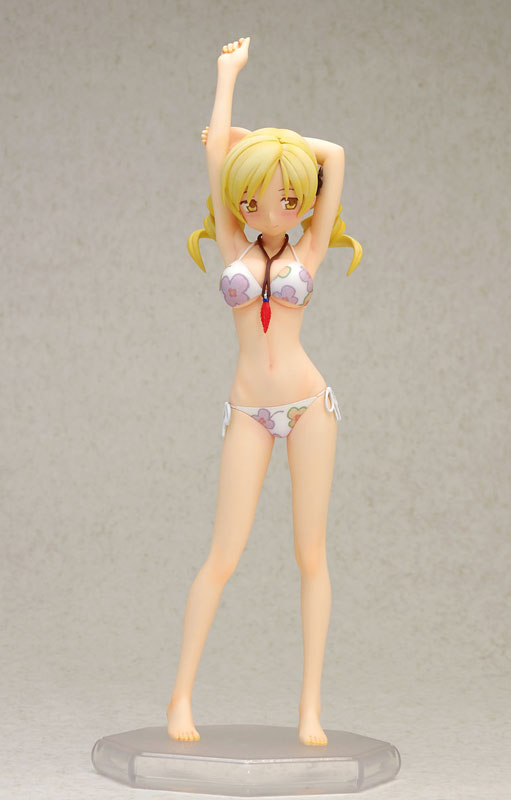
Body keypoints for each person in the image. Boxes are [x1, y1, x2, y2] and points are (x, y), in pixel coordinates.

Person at [167, 36, 362, 746]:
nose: (266, 209)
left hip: (310, 406)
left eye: (282, 196)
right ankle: (179, 699)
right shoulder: (231, 241)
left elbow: (335, 154)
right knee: (223, 554)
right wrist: (228, 75)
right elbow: (215, 155)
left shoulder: (308, 248)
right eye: (253, 196)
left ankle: (310, 710)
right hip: (249, 409)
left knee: (311, 555)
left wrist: (273, 144)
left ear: (300, 197)